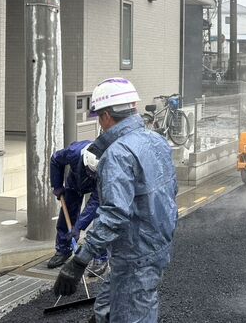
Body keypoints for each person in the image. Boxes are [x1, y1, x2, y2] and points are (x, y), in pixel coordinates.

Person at [53, 78, 178, 323]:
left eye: (99, 116)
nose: (99, 122)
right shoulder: (156, 140)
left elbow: (114, 215)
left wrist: (79, 262)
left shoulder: (118, 154)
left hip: (135, 253)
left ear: (107, 116)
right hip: (157, 243)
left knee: (134, 314)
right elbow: (171, 191)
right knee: (106, 306)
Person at [47, 140, 108, 277]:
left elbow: (96, 201)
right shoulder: (74, 153)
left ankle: (100, 258)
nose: (92, 175)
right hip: (75, 181)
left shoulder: (106, 165)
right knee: (67, 211)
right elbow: (55, 160)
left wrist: (79, 226)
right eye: (90, 173)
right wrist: (57, 185)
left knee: (101, 218)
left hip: (99, 186)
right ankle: (64, 249)